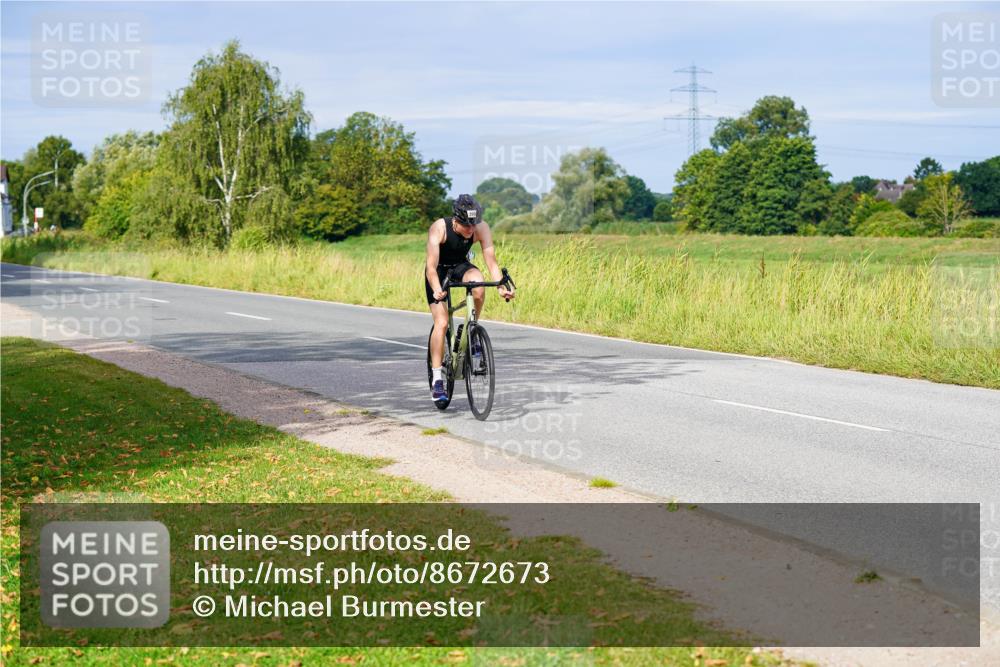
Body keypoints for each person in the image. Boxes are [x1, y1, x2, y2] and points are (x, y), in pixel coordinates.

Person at [425, 194, 514, 406]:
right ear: (455, 220)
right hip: (438, 271)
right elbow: (430, 268)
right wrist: (437, 289)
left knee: (479, 285)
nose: (471, 230)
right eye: (466, 226)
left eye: (473, 225)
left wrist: (501, 286)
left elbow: (491, 262)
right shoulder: (439, 228)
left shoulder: (481, 228)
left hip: (460, 266)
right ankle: (438, 379)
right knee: (442, 322)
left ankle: (472, 329)